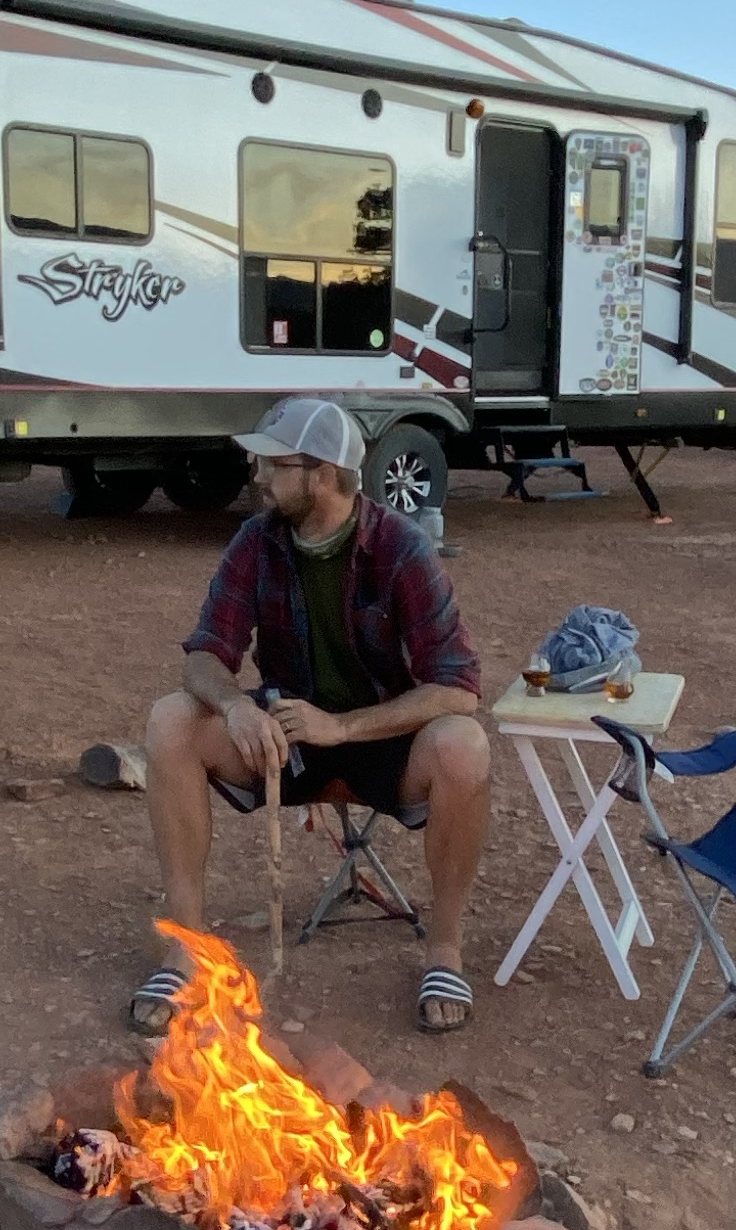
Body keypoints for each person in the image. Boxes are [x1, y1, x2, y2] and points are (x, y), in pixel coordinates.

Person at [135, 397, 491, 1036]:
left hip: (385, 743)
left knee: (463, 744)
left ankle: (444, 951)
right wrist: (238, 703)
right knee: (171, 720)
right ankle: (184, 946)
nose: (258, 478)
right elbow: (204, 657)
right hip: (286, 741)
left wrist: (346, 726)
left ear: (322, 474)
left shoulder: (401, 548)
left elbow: (458, 687)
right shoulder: (258, 540)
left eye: (273, 465)